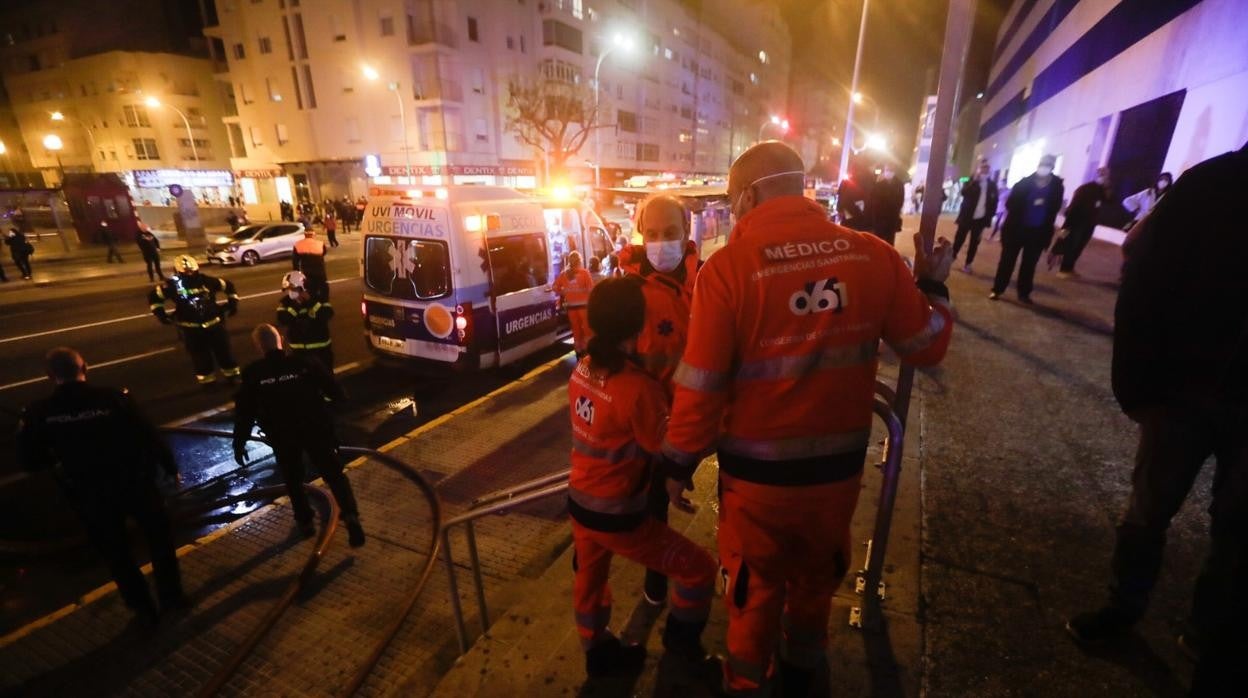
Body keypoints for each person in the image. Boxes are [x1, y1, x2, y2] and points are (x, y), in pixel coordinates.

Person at [660, 141, 954, 695]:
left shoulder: (727, 272)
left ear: (748, 195)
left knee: (753, 591)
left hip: (758, 487)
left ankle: (747, 683)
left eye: (732, 199)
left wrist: (675, 464)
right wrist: (932, 285)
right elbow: (925, 346)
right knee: (816, 582)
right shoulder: (872, 256)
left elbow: (700, 389)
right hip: (838, 479)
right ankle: (801, 672)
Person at [1067, 144, 1248, 691]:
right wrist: (1138, 380)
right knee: (1151, 510)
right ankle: (1127, 610)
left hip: (1198, 389)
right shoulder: (1214, 182)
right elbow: (1144, 263)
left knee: (1235, 531)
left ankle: (1204, 630)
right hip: (1187, 389)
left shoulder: (1211, 180)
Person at [567, 278, 717, 679]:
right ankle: (681, 644)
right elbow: (670, 447)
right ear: (639, 326)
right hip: (618, 513)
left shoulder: (582, 370)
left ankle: (596, 650)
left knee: (590, 580)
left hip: (581, 504)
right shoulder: (638, 389)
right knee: (698, 569)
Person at [17, 347, 189, 625]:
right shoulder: (114, 399)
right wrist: (170, 468)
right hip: (136, 483)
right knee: (159, 540)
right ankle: (172, 597)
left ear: (50, 375)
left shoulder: (39, 413)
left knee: (117, 553)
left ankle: (142, 608)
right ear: (85, 366)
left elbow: (30, 461)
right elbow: (148, 435)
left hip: (91, 494)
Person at [617, 194, 701, 608]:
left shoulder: (705, 282)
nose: (660, 242)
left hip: (697, 419)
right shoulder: (627, 292)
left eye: (670, 233)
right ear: (640, 234)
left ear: (686, 233)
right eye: (651, 234)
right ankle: (655, 577)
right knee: (654, 508)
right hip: (653, 427)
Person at [233, 324, 365, 546]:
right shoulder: (305, 363)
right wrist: (326, 414)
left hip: (283, 435)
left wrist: (240, 443)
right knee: (334, 474)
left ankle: (305, 523)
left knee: (293, 479)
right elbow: (338, 394)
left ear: (258, 347)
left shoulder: (253, 373)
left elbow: (244, 412)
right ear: (281, 341)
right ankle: (351, 517)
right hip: (315, 429)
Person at [149, 255, 241, 385]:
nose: (189, 274)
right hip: (191, 329)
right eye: (186, 272)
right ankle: (208, 382)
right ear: (177, 271)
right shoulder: (172, 286)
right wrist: (161, 314)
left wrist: (233, 303)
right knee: (200, 358)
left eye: (192, 271)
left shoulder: (207, 281)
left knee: (224, 353)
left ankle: (233, 376)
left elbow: (228, 286)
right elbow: (155, 298)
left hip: (214, 325)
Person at [989, 154, 1064, 304]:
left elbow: (1055, 207)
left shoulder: (1056, 186)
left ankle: (1024, 293)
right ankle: (997, 289)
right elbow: (1010, 204)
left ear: (1053, 167)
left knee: (1029, 264)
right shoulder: (1024, 183)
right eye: (1043, 163)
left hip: (1037, 232)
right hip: (1016, 230)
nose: (1045, 166)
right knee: (1007, 261)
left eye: (1048, 164)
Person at [1048, 167, 1109, 277]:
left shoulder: (1101, 190)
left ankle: (1069, 268)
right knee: (1071, 245)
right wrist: (1068, 225)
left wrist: (1106, 187)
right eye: (1102, 174)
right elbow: (1074, 207)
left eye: (1106, 174)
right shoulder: (1085, 189)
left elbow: (1109, 200)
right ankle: (1063, 270)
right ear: (1097, 174)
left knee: (1079, 246)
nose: (1105, 177)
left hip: (1089, 224)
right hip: (1077, 223)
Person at [276, 270, 334, 371]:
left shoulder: (318, 299)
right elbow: (283, 320)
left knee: (326, 379)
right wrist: (296, 306)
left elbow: (327, 314)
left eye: (293, 289)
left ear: (302, 288)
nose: (290, 292)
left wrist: (310, 302)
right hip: (298, 353)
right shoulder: (285, 303)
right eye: (288, 289)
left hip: (320, 352)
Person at [952, 160, 1000, 272]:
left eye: (987, 169)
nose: (984, 171)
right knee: (959, 239)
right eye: (982, 168)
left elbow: (994, 203)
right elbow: (964, 193)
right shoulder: (970, 181)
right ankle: (952, 256)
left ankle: (968, 263)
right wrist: (974, 181)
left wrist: (989, 217)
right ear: (978, 169)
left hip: (980, 220)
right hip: (966, 217)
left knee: (974, 243)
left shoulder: (992, 186)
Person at [552, 250, 594, 356]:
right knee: (587, 329)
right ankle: (587, 351)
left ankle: (578, 350)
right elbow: (591, 289)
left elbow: (554, 287)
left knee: (576, 329)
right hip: (584, 307)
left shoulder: (563, 274)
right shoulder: (584, 273)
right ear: (579, 261)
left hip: (571, 307)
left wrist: (564, 292)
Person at [867, 164, 905, 245]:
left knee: (890, 240)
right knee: (878, 241)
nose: (888, 172)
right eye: (886, 170)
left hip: (892, 217)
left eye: (890, 170)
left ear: (894, 171)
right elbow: (873, 199)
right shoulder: (880, 184)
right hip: (880, 218)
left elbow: (900, 201)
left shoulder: (899, 184)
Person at [292, 227, 329, 301]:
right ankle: (324, 301)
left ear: (304, 235)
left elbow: (295, 260)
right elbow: (324, 253)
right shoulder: (320, 243)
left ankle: (313, 301)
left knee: (311, 288)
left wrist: (296, 271)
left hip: (307, 271)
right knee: (323, 286)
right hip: (319, 270)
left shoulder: (298, 244)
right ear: (313, 235)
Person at [835, 163, 872, 232]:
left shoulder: (846, 181)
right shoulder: (865, 182)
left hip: (849, 212)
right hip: (856, 213)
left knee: (847, 232)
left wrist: (840, 210)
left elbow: (841, 197)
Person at [989, 174, 1010, 240]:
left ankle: (992, 236)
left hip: (1003, 209)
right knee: (999, 224)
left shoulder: (1008, 191)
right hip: (998, 208)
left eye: (1003, 183)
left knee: (998, 223)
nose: (1001, 184)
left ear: (1005, 183)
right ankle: (1001, 237)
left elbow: (1008, 200)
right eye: (1001, 183)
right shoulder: (1000, 190)